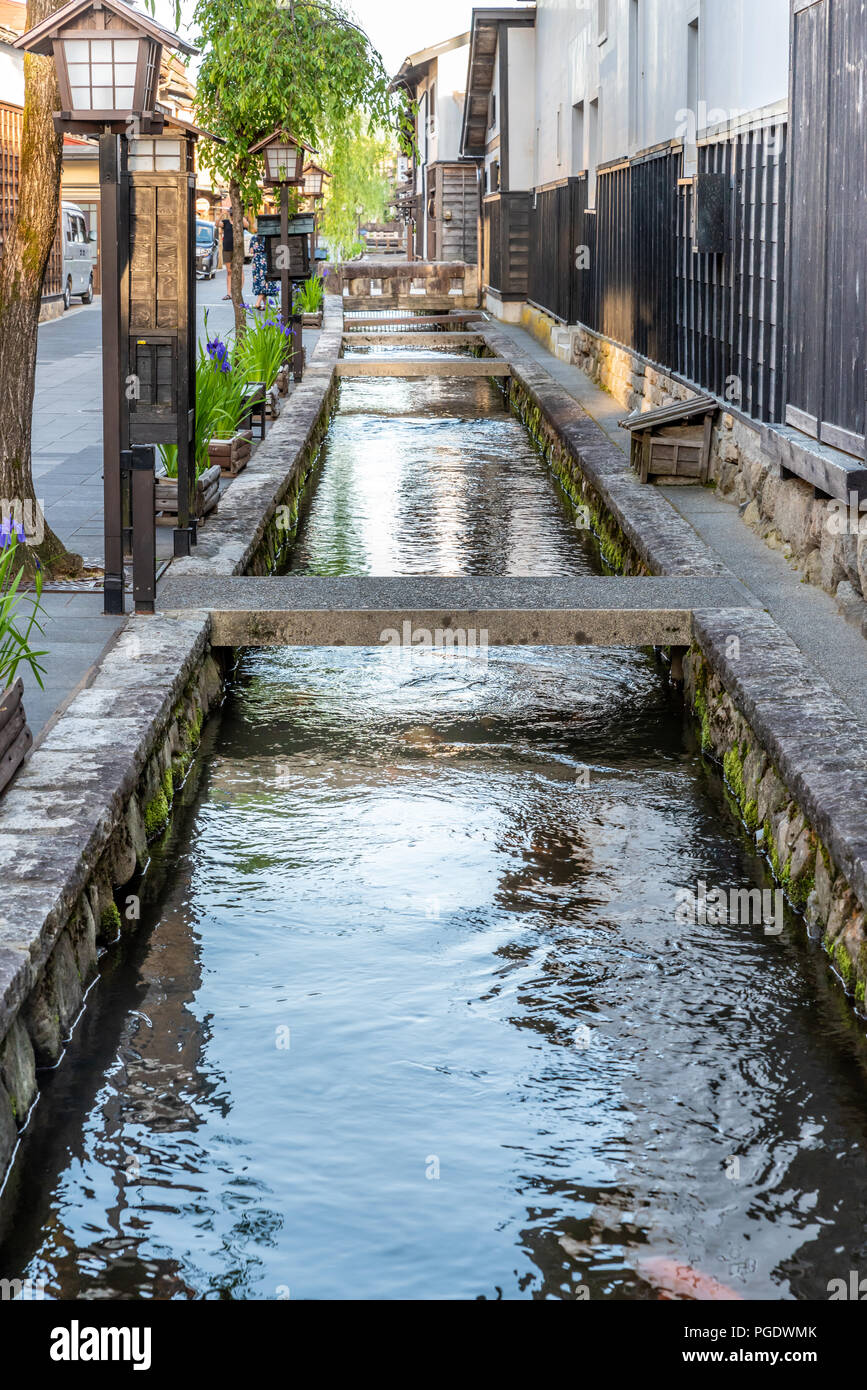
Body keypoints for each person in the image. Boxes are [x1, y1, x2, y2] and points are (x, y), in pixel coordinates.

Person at [251, 233, 279, 310]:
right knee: (266, 282)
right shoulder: (267, 237)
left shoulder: (253, 237)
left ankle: (266, 305)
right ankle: (257, 303)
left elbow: (251, 251)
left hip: (256, 261)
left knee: (260, 282)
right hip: (265, 260)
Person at [221, 214, 234, 300]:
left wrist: (241, 216)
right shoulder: (226, 222)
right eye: (231, 213)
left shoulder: (239, 222)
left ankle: (237, 291)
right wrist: (221, 215)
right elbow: (216, 224)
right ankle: (229, 293)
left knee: (239, 271)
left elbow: (247, 225)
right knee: (229, 271)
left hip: (237, 249)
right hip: (227, 249)